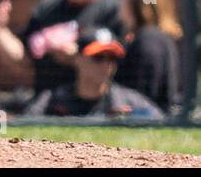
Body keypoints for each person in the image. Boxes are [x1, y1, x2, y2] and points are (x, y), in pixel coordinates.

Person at [0, 0, 124, 94]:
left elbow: (120, 66)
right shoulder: (48, 6)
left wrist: (77, 58)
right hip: (47, 106)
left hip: (93, 109)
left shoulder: (117, 9)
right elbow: (24, 60)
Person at [25, 28, 163, 119]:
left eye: (112, 58)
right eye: (98, 57)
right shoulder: (51, 102)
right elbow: (25, 128)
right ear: (77, 59)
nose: (106, 65)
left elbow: (162, 125)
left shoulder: (130, 102)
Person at [116, 0, 181, 114]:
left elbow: (143, 100)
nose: (121, 0)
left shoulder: (149, 41)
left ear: (136, 2)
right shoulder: (152, 37)